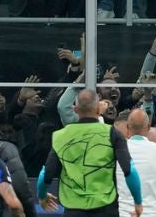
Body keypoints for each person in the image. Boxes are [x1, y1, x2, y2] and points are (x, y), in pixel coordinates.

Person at [37, 89, 144, 217]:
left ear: (75, 109)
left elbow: (46, 174)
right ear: (98, 110)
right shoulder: (112, 133)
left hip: (73, 209)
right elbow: (129, 170)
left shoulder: (61, 136)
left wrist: (42, 195)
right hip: (106, 207)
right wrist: (138, 202)